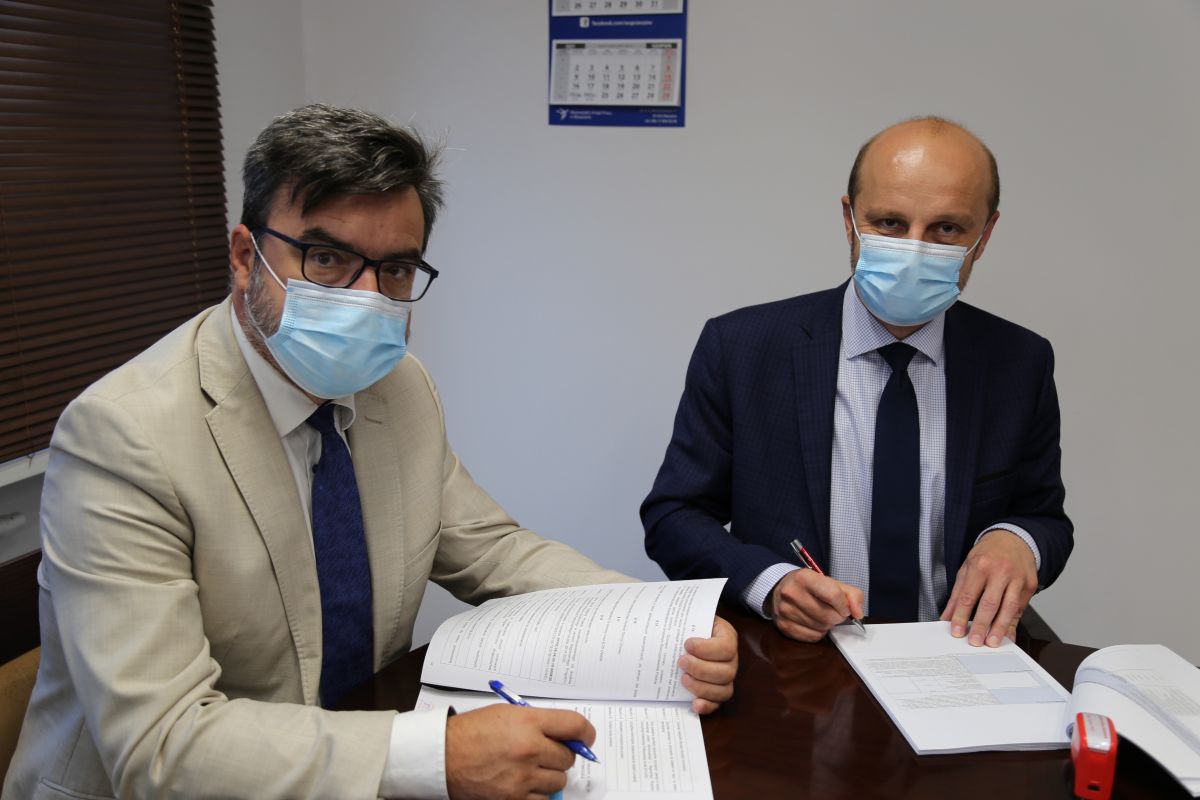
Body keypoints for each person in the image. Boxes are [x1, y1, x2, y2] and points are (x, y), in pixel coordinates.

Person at [3, 104, 737, 800]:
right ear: (245, 257)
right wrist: (436, 754)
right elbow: (161, 745)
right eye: (326, 258)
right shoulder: (123, 435)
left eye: (395, 270)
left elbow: (491, 550)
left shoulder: (399, 385)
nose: (366, 298)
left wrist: (664, 623)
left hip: (351, 759)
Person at [642, 116, 1071, 648]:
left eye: (947, 229)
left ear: (984, 237)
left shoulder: (1019, 361)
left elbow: (1043, 517)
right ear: (849, 219)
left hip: (958, 653)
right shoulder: (742, 348)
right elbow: (674, 516)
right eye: (890, 222)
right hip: (796, 658)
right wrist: (771, 584)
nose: (914, 250)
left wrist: (1017, 540)